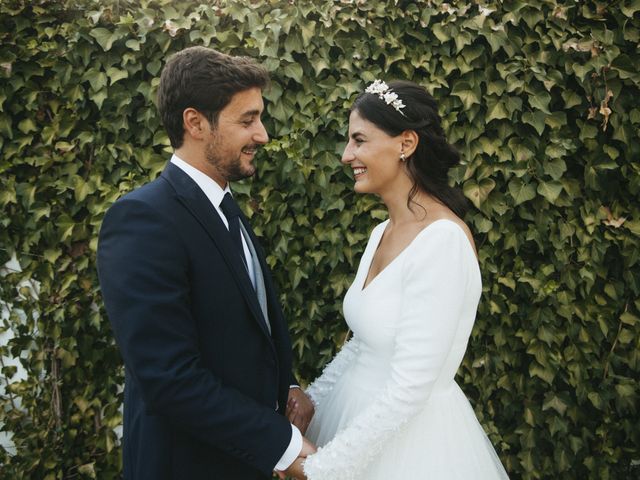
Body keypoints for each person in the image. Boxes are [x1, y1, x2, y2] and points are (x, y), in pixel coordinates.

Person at [97, 46, 315, 480]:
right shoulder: (143, 219)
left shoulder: (226, 209)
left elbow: (245, 327)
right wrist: (283, 446)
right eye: (247, 120)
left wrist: (286, 386)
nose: (263, 135)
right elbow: (168, 377)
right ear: (195, 123)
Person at [301, 80, 510, 479]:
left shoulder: (443, 241)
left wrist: (324, 467)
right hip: (351, 422)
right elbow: (363, 345)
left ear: (406, 143)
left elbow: (410, 387)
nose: (347, 156)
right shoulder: (381, 232)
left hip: (410, 447)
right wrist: (312, 401)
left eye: (359, 140)